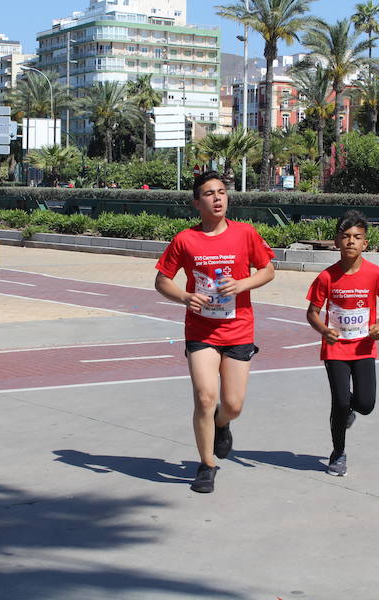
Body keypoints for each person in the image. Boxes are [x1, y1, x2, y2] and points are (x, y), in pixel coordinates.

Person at [154, 171, 275, 493]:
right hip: (201, 330)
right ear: (197, 202)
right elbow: (162, 280)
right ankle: (207, 464)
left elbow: (268, 269)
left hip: (238, 328)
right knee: (205, 397)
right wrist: (185, 296)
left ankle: (223, 424)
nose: (218, 198)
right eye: (209, 193)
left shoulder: (246, 234)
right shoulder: (185, 240)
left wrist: (243, 283)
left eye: (222, 192)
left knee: (232, 405)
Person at [305, 210, 379, 477]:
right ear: (336, 242)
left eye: (357, 237)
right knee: (340, 402)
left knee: (365, 404)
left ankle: (349, 411)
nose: (351, 242)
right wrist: (323, 329)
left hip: (364, 347)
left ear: (365, 243)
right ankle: (338, 452)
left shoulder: (375, 274)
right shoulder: (326, 277)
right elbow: (312, 313)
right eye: (346, 237)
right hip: (335, 349)